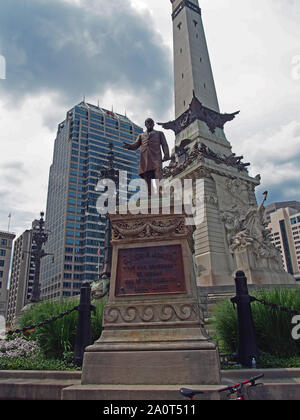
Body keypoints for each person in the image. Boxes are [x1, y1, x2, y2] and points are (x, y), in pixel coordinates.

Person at [123, 118, 170, 194]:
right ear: (145, 125)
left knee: (158, 173)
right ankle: (149, 193)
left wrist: (166, 154)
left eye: (151, 122)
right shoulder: (141, 135)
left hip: (156, 156)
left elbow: (164, 144)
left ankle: (160, 191)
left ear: (153, 124)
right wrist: (129, 146)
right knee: (147, 176)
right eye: (147, 123)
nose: (149, 124)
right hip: (145, 159)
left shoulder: (159, 133)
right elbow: (136, 145)